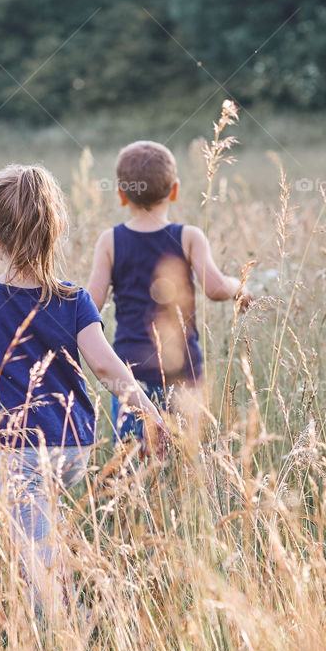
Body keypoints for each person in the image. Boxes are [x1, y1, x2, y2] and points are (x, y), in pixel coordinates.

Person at [0, 163, 165, 620]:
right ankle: (65, 603)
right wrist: (149, 413)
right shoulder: (74, 299)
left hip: (20, 447)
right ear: (56, 228)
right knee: (42, 530)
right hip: (73, 446)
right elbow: (106, 365)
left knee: (34, 554)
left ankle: (64, 628)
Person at [87, 139, 250, 441]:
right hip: (183, 370)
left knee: (133, 462)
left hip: (130, 375)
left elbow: (91, 304)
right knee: (185, 463)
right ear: (174, 190)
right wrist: (239, 287)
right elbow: (214, 288)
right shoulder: (189, 236)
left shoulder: (110, 241)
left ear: (121, 195)